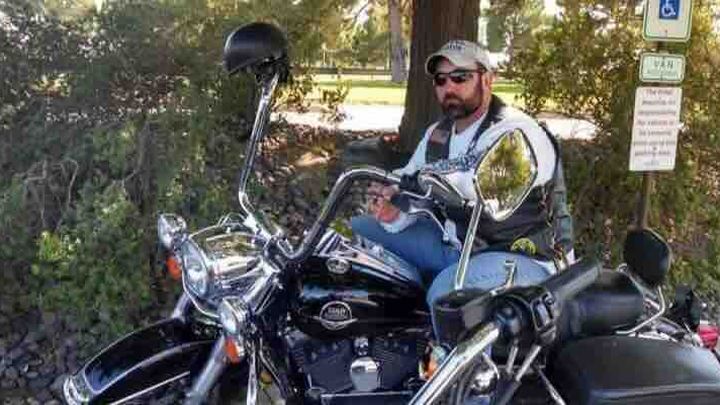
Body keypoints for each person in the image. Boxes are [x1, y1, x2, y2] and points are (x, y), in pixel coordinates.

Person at [351, 39, 573, 300]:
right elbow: (408, 184)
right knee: (359, 235)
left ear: (487, 80)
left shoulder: (519, 131)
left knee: (443, 295)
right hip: (460, 247)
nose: (449, 87)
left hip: (528, 259)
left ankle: (448, 324)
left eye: (460, 77)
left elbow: (469, 184)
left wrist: (410, 185)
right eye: (441, 79)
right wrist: (391, 211)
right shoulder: (437, 135)